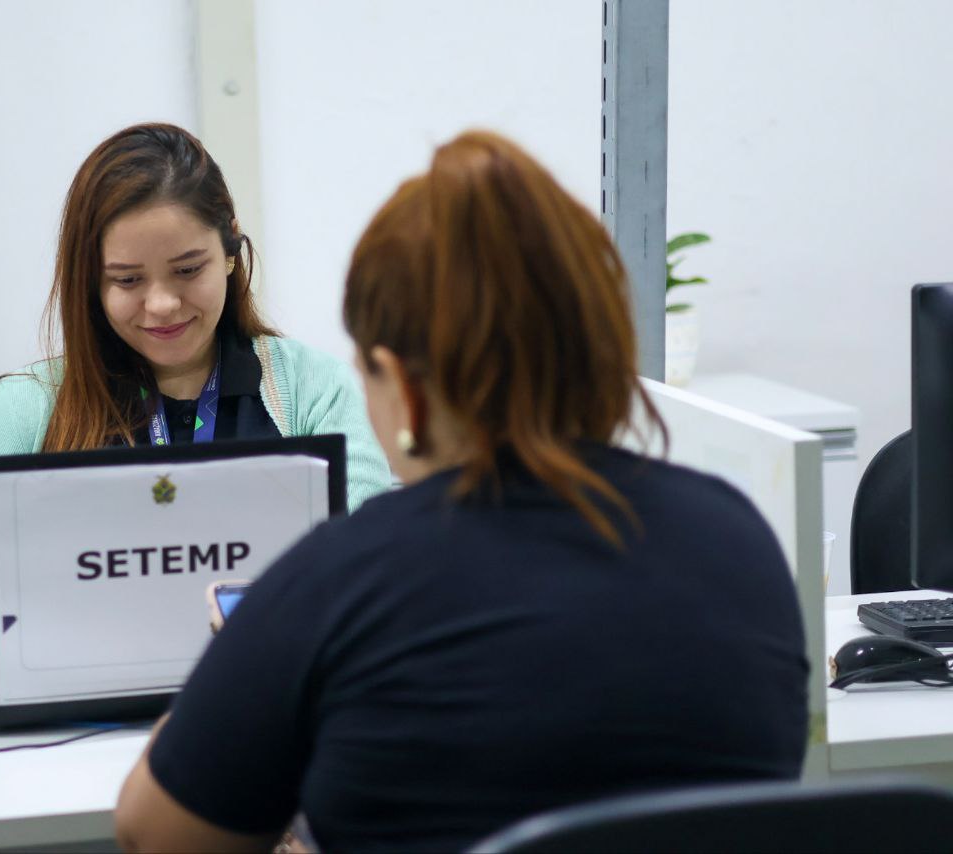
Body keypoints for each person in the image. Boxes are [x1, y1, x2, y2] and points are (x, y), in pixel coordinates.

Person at [114, 130, 810, 852]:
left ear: (403, 390)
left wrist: (238, 676)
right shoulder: (739, 540)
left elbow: (155, 837)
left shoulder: (340, 580)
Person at [0, 123, 391, 699]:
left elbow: (374, 556)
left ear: (230, 252)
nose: (162, 304)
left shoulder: (312, 391)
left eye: (188, 269)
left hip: (271, 721)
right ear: (90, 281)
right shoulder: (33, 406)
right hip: (71, 738)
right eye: (127, 280)